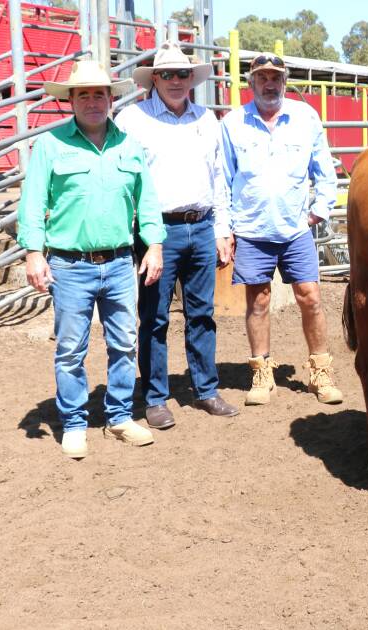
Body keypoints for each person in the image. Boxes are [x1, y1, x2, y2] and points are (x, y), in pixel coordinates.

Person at [17, 61, 165, 459]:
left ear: (111, 99)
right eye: (83, 94)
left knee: (125, 342)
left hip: (119, 262)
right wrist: (33, 251)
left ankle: (119, 416)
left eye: (99, 93)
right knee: (70, 348)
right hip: (69, 264)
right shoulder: (50, 146)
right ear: (70, 101)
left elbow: (147, 201)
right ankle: (75, 423)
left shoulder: (129, 146)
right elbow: (33, 205)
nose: (93, 101)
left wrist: (154, 244)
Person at [115, 42, 239, 429]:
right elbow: (124, 177)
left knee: (202, 313)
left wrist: (221, 229)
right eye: (167, 74)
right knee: (153, 316)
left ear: (192, 79)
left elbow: (219, 177)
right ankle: (155, 397)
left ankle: (206, 389)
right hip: (157, 230)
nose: (175, 81)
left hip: (201, 224)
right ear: (153, 79)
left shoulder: (206, 120)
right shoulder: (131, 120)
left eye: (182, 74)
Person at [218, 53, 343, 406]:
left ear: (284, 81)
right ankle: (262, 373)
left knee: (311, 298)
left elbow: (325, 171)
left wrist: (319, 210)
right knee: (258, 302)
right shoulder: (233, 124)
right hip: (252, 229)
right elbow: (223, 180)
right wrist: (225, 228)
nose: (269, 83)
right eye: (262, 78)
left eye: (275, 77)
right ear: (251, 83)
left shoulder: (305, 118)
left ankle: (321, 371)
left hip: (295, 230)